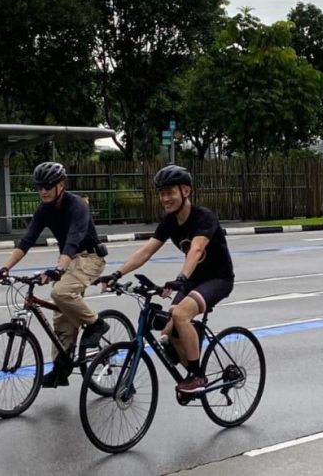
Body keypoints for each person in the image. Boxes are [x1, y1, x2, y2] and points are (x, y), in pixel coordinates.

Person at [100, 164, 234, 394]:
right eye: (161, 193)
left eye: (170, 192)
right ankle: (193, 355)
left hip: (218, 279)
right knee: (167, 329)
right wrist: (117, 273)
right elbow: (146, 251)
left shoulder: (204, 217)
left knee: (181, 315)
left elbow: (197, 250)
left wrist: (180, 278)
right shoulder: (170, 221)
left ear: (186, 191)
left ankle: (197, 376)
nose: (165, 198)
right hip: (192, 282)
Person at [0, 161, 110, 388]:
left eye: (48, 186)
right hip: (70, 259)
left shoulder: (78, 206)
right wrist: (5, 268)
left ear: (61, 185)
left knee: (61, 293)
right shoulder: (44, 210)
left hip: (90, 258)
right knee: (60, 316)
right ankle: (60, 368)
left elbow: (73, 240)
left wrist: (58, 269)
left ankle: (96, 325)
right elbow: (26, 241)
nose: (43, 191)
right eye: (40, 187)